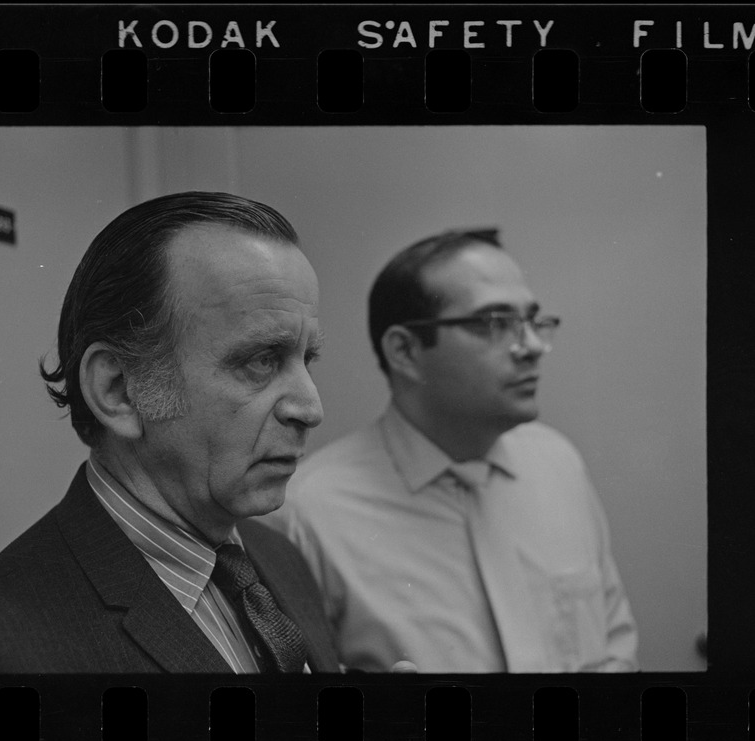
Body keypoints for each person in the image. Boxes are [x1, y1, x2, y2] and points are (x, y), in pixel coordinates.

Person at [0, 191, 340, 674]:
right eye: (261, 360)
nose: (310, 408)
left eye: (306, 359)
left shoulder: (279, 557)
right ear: (119, 391)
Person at [264, 228, 638, 673]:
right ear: (405, 351)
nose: (533, 347)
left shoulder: (558, 464)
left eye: (533, 321)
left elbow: (616, 645)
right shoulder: (309, 514)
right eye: (495, 323)